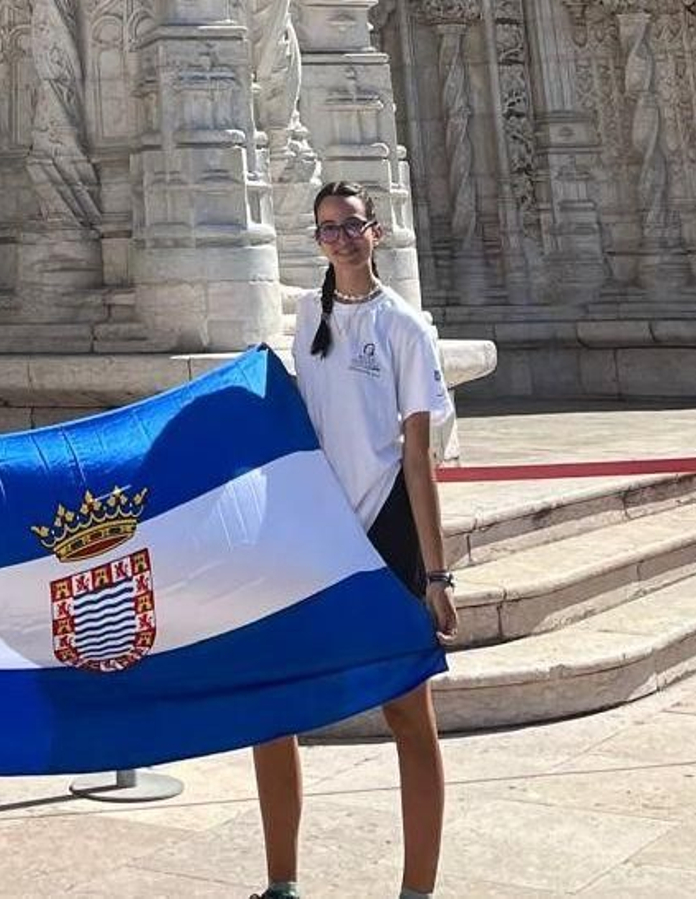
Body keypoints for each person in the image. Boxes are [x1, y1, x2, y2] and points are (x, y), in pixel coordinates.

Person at [250, 182, 460, 899]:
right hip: (318, 533)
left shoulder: (405, 328)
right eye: (327, 228)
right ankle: (282, 882)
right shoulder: (309, 315)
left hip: (388, 531)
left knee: (407, 711)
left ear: (377, 232)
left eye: (351, 226)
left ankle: (417, 891)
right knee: (274, 708)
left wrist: (436, 576)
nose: (340, 238)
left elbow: (417, 456)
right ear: (315, 239)